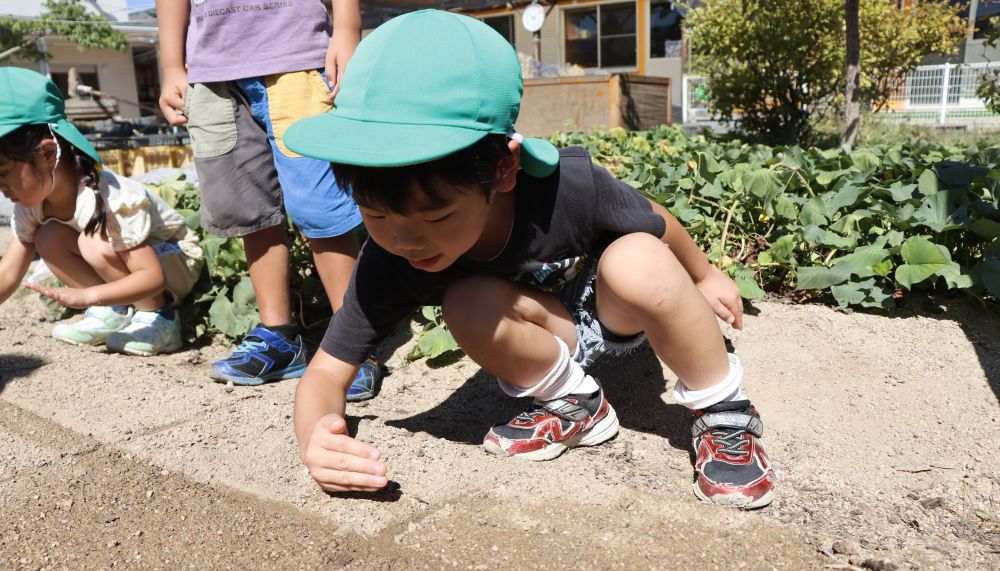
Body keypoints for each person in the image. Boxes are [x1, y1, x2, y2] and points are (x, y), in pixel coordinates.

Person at [287, 10, 774, 509]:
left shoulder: (569, 185)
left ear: (503, 168)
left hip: (614, 310)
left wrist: (706, 274)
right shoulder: (390, 256)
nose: (405, 240)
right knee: (466, 301)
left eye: (436, 218)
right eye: (374, 214)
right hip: (547, 332)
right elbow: (325, 374)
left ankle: (724, 413)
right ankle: (574, 403)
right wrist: (316, 441)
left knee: (640, 258)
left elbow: (654, 215)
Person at [155, 0, 382, 397]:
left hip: (298, 57)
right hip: (212, 71)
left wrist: (347, 26)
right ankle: (279, 336)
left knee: (320, 206)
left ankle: (354, 344)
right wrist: (172, 63)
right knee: (247, 206)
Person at [0, 68, 203, 356]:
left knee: (92, 242)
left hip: (174, 260)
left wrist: (88, 295)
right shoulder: (30, 205)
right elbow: (8, 272)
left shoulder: (109, 197)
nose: (0, 187)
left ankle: (161, 317)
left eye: (3, 173)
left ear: (47, 154)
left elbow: (152, 277)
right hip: (126, 267)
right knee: (47, 237)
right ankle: (114, 312)